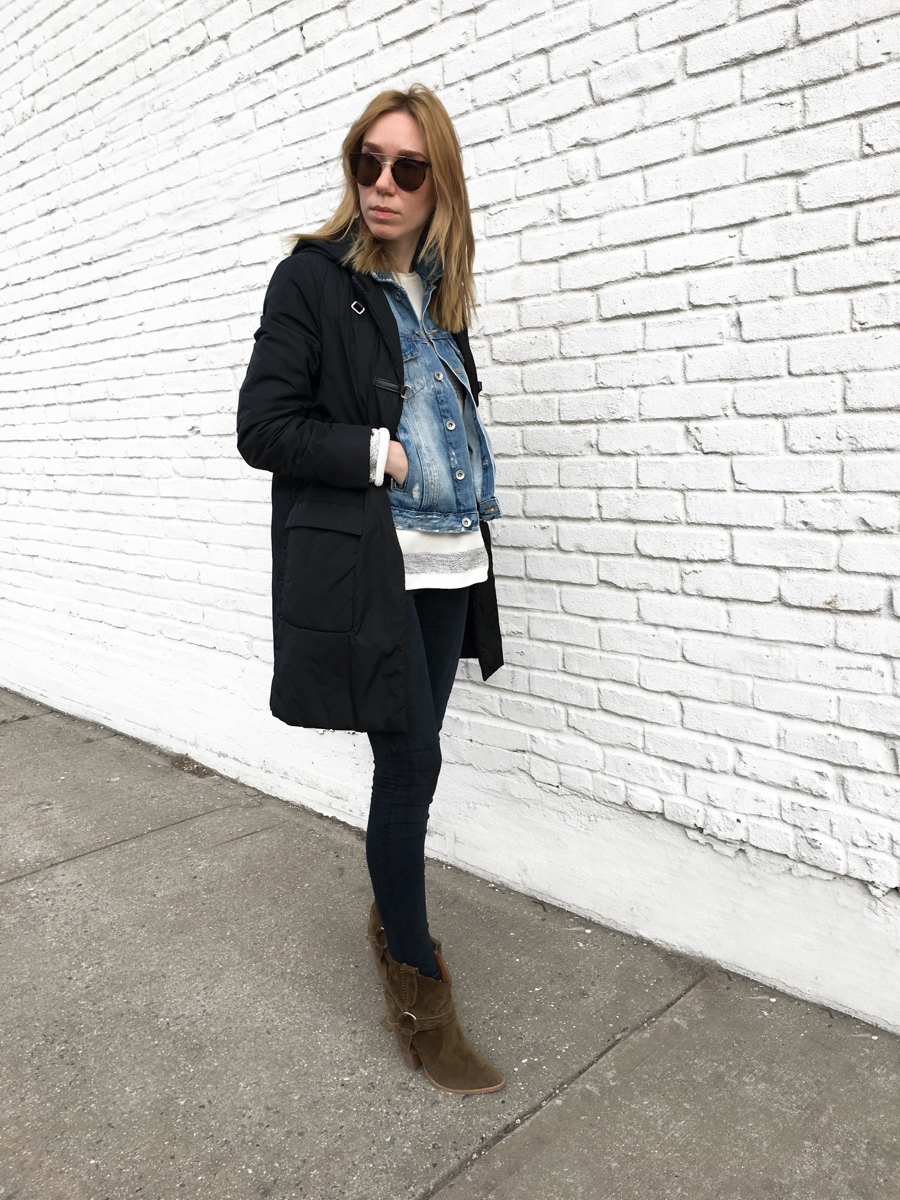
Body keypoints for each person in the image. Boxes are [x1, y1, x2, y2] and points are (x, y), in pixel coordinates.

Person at [236, 84, 505, 1095]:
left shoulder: (438, 293)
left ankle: (389, 914)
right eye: (368, 162)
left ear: (441, 186)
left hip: (452, 562)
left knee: (416, 763)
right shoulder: (311, 282)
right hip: (378, 560)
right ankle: (417, 988)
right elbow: (263, 426)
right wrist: (375, 453)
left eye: (407, 169)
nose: (382, 185)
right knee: (412, 758)